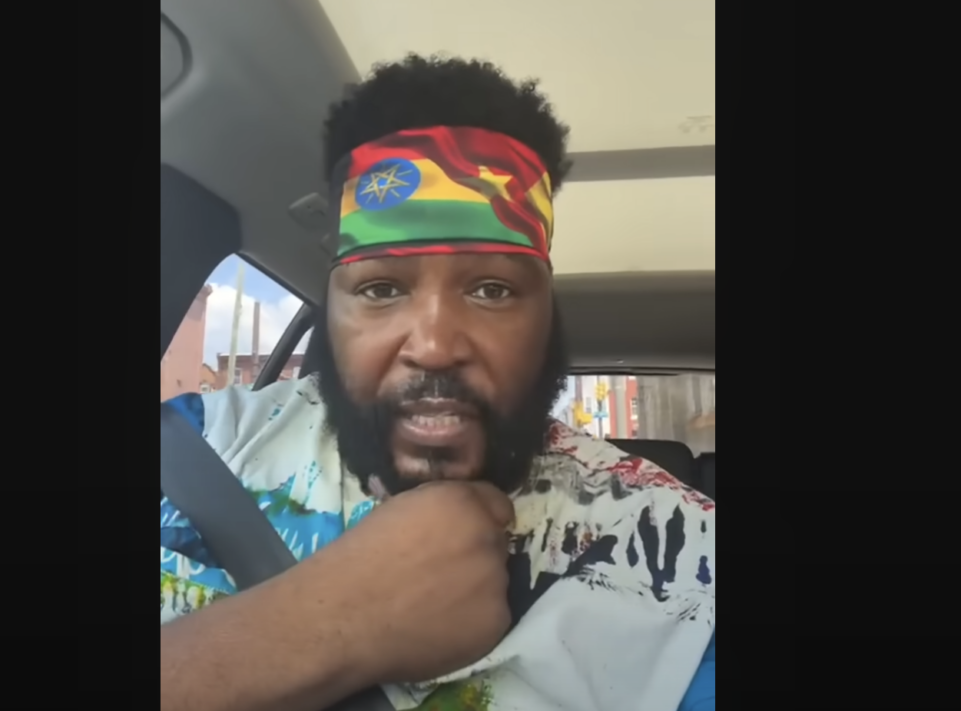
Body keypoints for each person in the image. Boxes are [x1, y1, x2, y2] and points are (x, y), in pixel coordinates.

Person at [160, 54, 715, 711]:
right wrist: (320, 623)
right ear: (332, 310)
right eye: (381, 289)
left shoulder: (686, 563)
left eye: (492, 289)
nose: (432, 346)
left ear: (547, 317)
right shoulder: (195, 450)